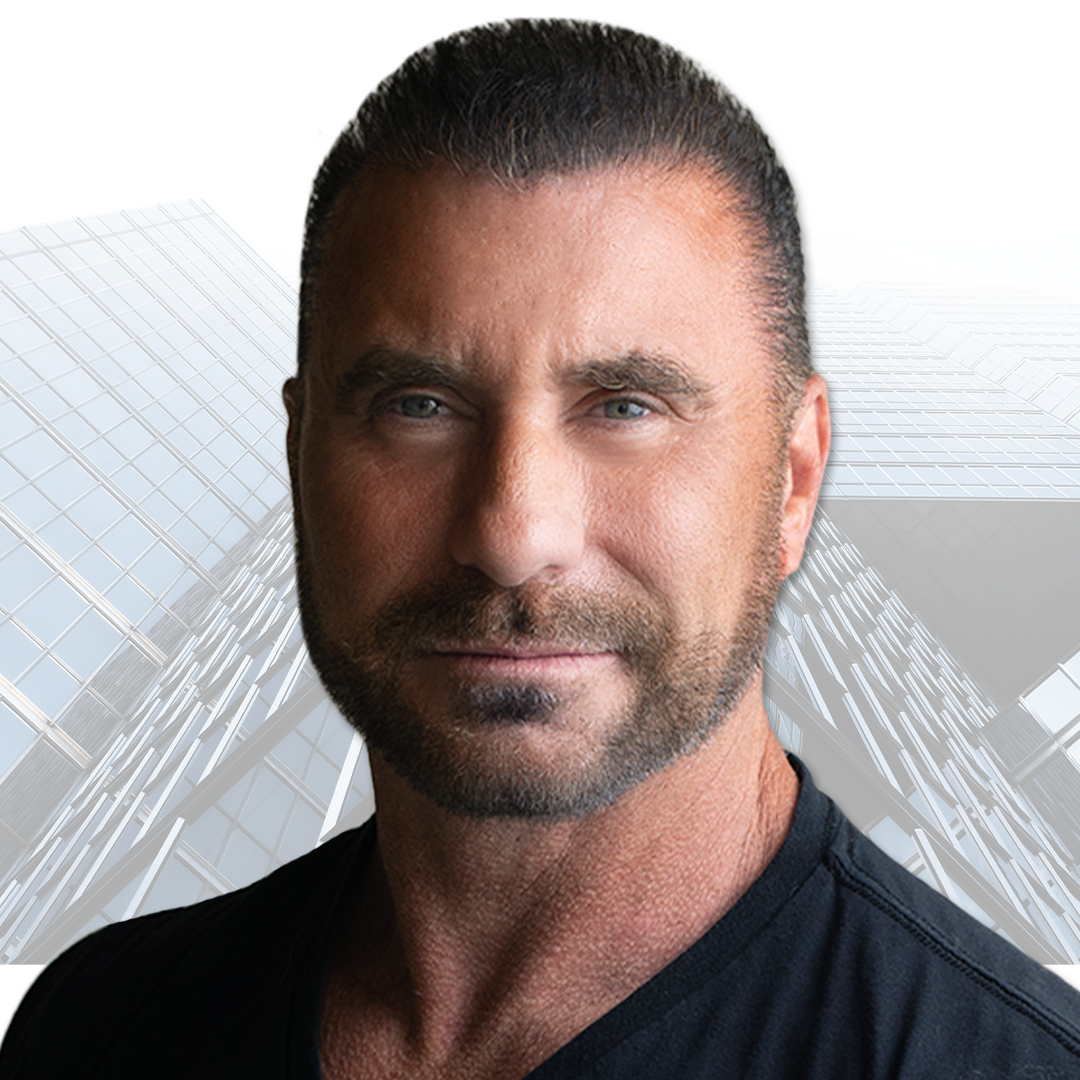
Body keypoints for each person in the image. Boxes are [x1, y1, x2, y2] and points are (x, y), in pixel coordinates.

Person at [4, 19, 1080, 1080]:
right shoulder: (97, 1029)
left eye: (625, 407)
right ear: (299, 458)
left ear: (793, 481)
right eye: (418, 406)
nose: (513, 535)